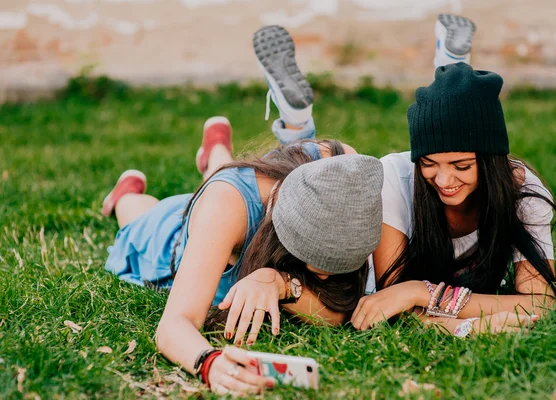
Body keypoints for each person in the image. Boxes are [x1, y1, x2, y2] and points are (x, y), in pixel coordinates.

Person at [100, 23, 384, 396]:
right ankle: (124, 192)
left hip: (253, 187)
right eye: (319, 264)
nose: (327, 279)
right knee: (137, 218)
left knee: (225, 179)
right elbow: (174, 325)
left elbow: (340, 309)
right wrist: (208, 362)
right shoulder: (227, 208)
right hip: (175, 233)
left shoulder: (342, 171)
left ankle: (232, 146)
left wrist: (283, 283)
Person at [348, 15, 556, 337]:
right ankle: (296, 124)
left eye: (462, 166)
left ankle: (451, 65)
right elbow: (390, 300)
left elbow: (540, 303)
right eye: (429, 163)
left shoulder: (524, 192)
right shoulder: (394, 177)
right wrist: (468, 326)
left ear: (491, 161)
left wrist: (421, 292)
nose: (444, 180)